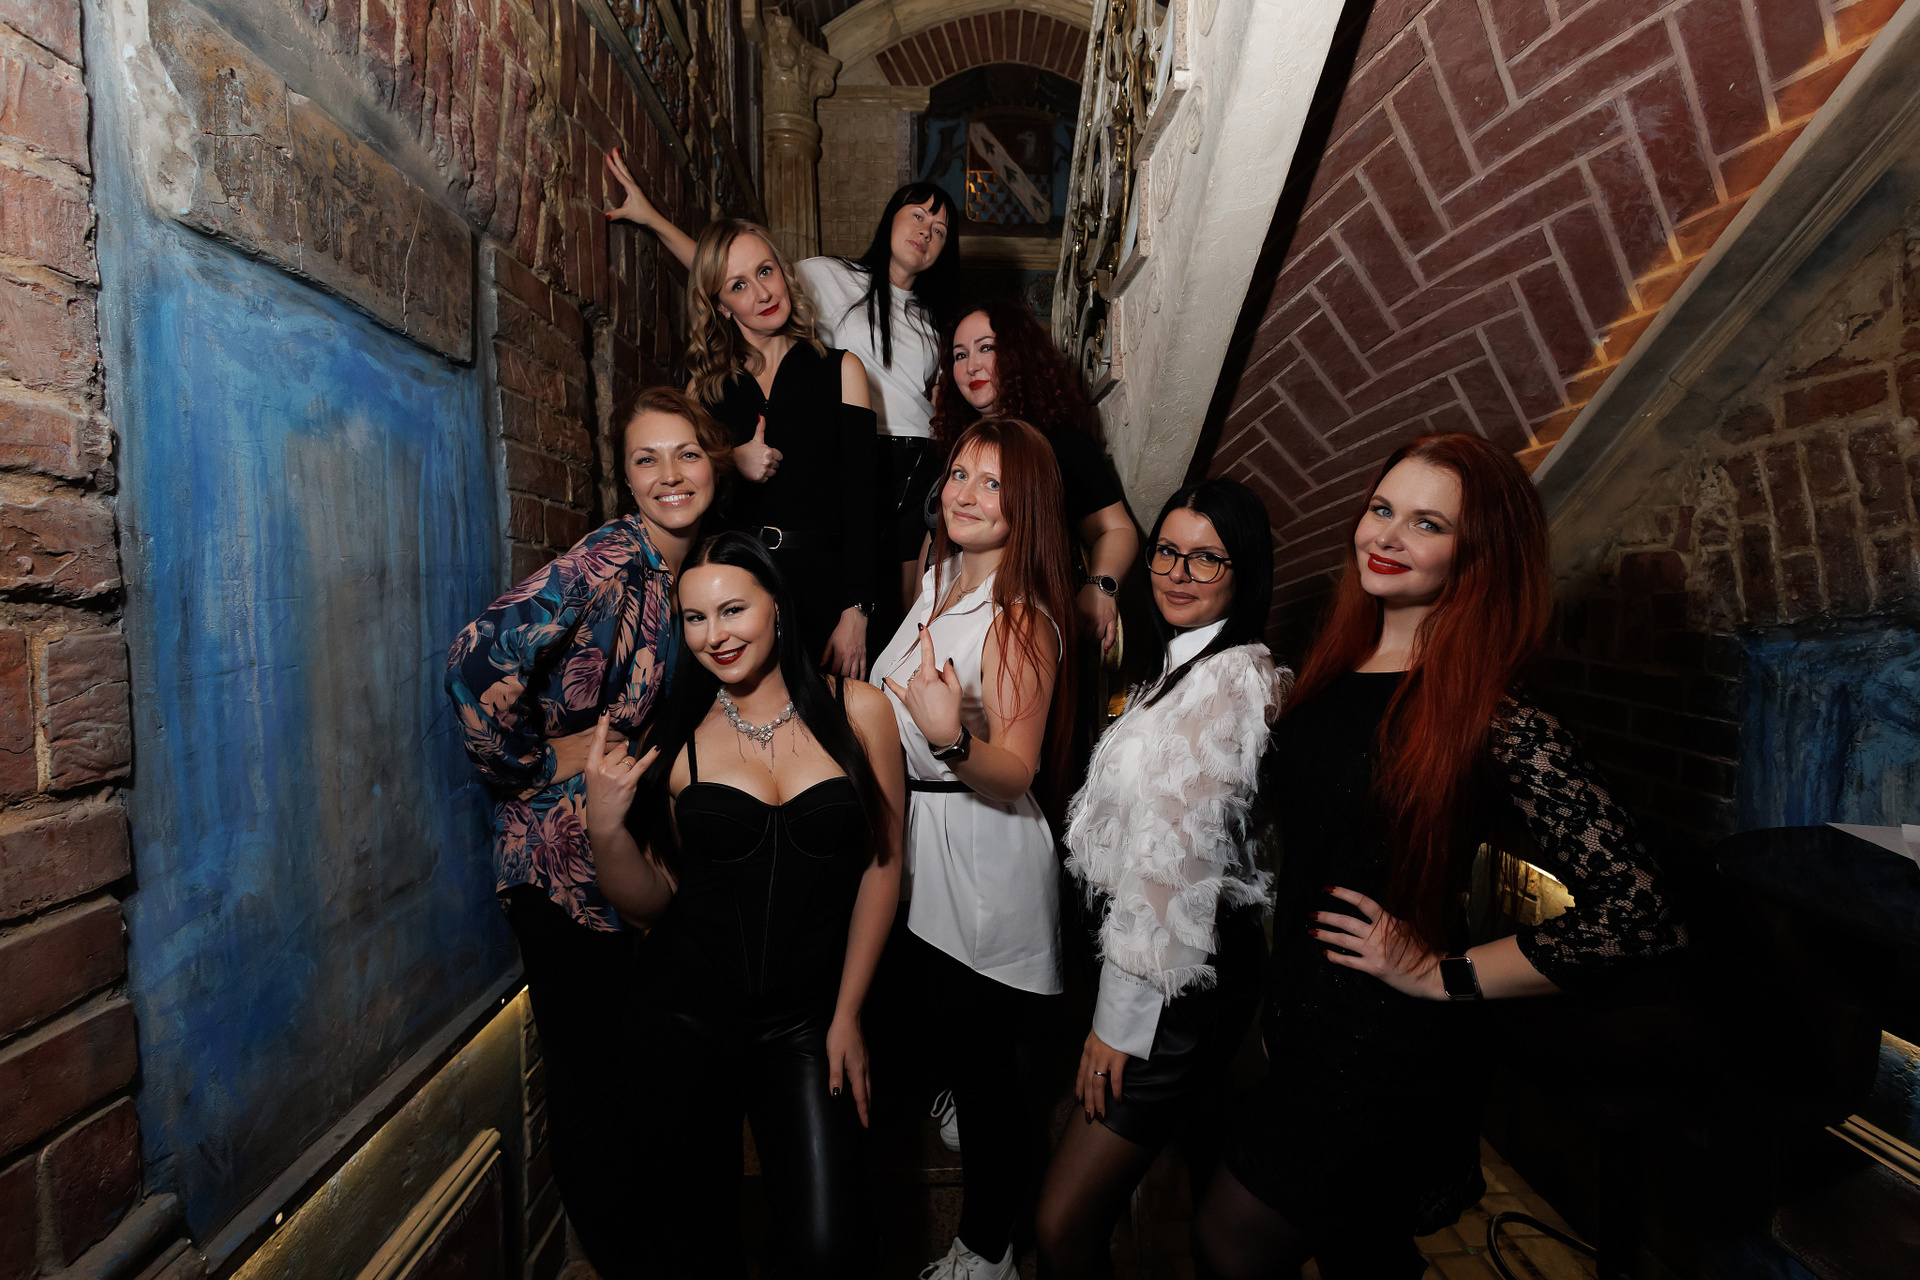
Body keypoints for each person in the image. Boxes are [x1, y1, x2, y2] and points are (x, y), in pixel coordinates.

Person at [1190, 433, 1687, 1280]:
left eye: (1428, 524)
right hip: (1306, 1016)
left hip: (1384, 1044)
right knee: (1361, 1253)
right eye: (1381, 509)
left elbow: (1640, 915)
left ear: (1478, 554)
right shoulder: (1334, 669)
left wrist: (1445, 975)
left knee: (1228, 1243)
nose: (1386, 536)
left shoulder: (1496, 716)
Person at [443, 387, 732, 1280]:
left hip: (615, 846)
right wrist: (530, 764)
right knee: (590, 1082)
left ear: (713, 463)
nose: (670, 474)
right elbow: (476, 654)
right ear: (626, 477)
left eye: (686, 453)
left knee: (627, 1071)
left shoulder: (685, 568)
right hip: (554, 859)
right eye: (648, 459)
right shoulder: (612, 558)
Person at [580, 531, 906, 1277]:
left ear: (777, 608)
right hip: (683, 1019)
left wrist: (849, 1013)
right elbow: (649, 905)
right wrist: (604, 830)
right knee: (693, 1248)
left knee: (829, 1246)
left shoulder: (861, 712)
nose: (715, 635)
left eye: (733, 610)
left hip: (806, 1019)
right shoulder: (677, 738)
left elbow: (883, 867)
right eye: (695, 618)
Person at [1036, 478, 1289, 1278]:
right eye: (1167, 552)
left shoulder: (1230, 681)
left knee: (1060, 1226)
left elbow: (1172, 869)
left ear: (1245, 571)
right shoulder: (1183, 667)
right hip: (1158, 979)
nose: (1179, 573)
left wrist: (1117, 1025)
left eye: (1206, 559)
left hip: (1167, 993)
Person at [873, 417, 1078, 1280]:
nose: (966, 494)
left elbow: (1018, 769)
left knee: (988, 1072)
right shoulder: (939, 577)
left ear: (1026, 505)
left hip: (980, 849)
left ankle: (988, 1249)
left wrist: (950, 737)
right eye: (960, 473)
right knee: (944, 1034)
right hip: (918, 833)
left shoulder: (1020, 620)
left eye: (993, 483)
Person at [605, 155, 957, 622]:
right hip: (755, 557)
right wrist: (652, 219)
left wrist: (855, 610)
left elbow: (860, 501)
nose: (926, 231)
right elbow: (726, 267)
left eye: (939, 229)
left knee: (910, 613)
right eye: (917, 215)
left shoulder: (932, 320)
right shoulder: (831, 276)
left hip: (906, 467)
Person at [924, 297, 1138, 654]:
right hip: (941, 618)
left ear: (1017, 355)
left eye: (986, 348)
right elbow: (934, 536)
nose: (971, 367)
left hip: (1013, 632)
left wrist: (1100, 586)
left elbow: (1116, 529)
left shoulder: (1061, 444)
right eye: (960, 356)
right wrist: (918, 617)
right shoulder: (954, 444)